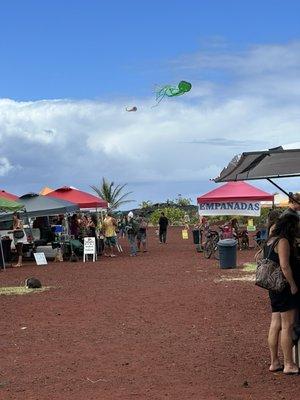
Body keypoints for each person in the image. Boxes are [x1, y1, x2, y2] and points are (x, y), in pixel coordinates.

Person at [264, 214, 300, 374]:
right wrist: (293, 285)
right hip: (284, 288)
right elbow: (285, 266)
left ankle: (274, 362)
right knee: (287, 325)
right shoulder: (283, 241)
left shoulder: (270, 241)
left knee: (275, 324)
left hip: (274, 288)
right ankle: (289, 364)